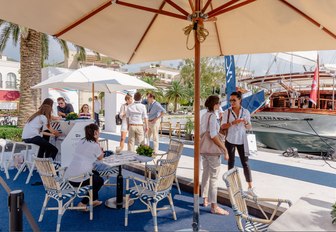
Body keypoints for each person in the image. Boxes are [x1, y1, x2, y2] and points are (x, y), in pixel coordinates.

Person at [220, 92, 255, 196]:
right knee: (231, 162)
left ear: (240, 100)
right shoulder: (227, 112)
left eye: (234, 100)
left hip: (242, 140)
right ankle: (231, 185)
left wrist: (246, 123)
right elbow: (222, 127)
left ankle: (250, 187)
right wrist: (233, 123)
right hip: (230, 139)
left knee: (246, 163)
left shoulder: (246, 112)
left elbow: (249, 127)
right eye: (230, 100)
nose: (232, 102)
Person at [201, 95, 229, 215]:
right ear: (215, 104)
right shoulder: (212, 116)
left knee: (206, 174)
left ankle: (205, 198)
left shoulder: (204, 115)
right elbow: (213, 135)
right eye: (219, 103)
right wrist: (224, 149)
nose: (220, 105)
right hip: (212, 151)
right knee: (214, 178)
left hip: (204, 149)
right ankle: (214, 206)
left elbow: (203, 132)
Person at [64, 123, 104, 209]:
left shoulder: (81, 140)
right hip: (78, 179)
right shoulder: (94, 145)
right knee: (99, 181)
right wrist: (97, 141)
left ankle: (93, 200)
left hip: (69, 176)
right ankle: (83, 203)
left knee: (96, 174)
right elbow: (101, 157)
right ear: (96, 132)